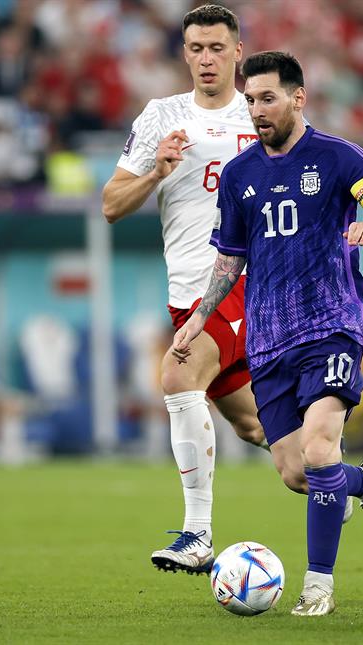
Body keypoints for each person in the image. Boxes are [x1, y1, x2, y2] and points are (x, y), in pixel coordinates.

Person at [174, 51, 363, 616]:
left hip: (331, 326)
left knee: (321, 444)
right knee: (299, 471)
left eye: (267, 98)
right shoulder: (239, 175)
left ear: (299, 97)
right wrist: (200, 318)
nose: (256, 110)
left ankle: (318, 585)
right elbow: (229, 260)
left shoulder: (339, 157)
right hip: (269, 340)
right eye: (250, 100)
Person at [101, 4, 265, 576]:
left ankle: (198, 535)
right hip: (186, 292)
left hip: (247, 283)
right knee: (257, 428)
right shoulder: (161, 116)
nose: (206, 59)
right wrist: (155, 173)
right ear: (184, 52)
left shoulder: (262, 114)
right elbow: (111, 206)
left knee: (176, 374)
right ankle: (343, 477)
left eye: (217, 48)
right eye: (196, 48)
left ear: (238, 51)